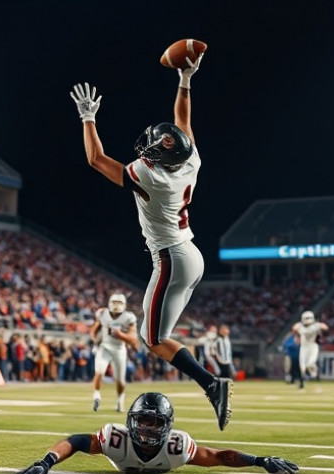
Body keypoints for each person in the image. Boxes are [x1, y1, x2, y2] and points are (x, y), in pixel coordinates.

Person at [69, 52, 232, 431]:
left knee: (154, 339)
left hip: (171, 258)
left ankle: (212, 384)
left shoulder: (150, 176)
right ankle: (211, 384)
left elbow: (96, 159)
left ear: (158, 157)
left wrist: (87, 117)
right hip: (191, 254)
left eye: (156, 144)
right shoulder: (190, 162)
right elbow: (183, 120)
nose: (151, 144)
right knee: (155, 335)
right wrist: (185, 78)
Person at [13, 392, 298, 474]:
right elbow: (76, 441)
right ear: (131, 421)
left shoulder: (177, 447)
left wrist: (260, 460)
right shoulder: (116, 439)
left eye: (155, 422)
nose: (148, 428)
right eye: (143, 420)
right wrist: (46, 461)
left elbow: (217, 456)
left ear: (168, 425)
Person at [89, 293, 139, 412]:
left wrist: (121, 335)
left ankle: (120, 399)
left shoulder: (129, 317)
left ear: (124, 305)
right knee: (99, 371)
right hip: (104, 346)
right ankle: (96, 395)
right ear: (109, 303)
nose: (116, 306)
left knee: (120, 380)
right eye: (114, 303)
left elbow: (133, 339)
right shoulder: (102, 313)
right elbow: (93, 330)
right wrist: (95, 340)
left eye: (119, 303)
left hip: (119, 349)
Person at [292, 311, 328, 390]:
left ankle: (315, 372)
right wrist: (297, 335)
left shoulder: (316, 326)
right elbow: (294, 328)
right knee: (302, 366)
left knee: (310, 363)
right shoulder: (300, 326)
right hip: (304, 347)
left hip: (313, 346)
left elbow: (325, 327)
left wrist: (318, 325)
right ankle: (302, 383)